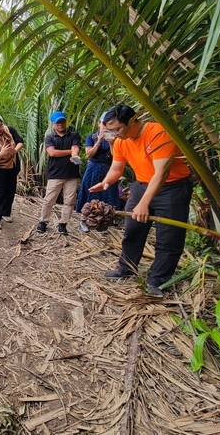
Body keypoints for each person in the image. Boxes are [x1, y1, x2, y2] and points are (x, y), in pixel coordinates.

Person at [90, 104, 193, 297]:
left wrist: (144, 203)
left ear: (132, 121)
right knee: (132, 229)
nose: (115, 134)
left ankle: (157, 281)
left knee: (169, 237)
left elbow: (161, 174)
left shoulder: (158, 133)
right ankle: (126, 268)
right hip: (142, 184)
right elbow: (116, 168)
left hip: (172, 187)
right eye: (110, 131)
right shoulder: (121, 141)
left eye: (117, 129)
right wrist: (105, 183)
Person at [36, 111, 82, 236]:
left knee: (69, 201)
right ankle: (43, 222)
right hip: (55, 174)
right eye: (58, 122)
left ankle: (63, 224)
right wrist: (70, 151)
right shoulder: (50, 137)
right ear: (53, 124)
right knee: (49, 200)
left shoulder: (74, 135)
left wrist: (75, 155)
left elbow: (76, 149)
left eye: (62, 121)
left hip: (72, 175)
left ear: (65, 122)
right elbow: (52, 153)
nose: (60, 124)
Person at [75, 113, 118, 232]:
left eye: (108, 124)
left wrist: (111, 143)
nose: (105, 126)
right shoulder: (92, 137)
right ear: (99, 123)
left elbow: (116, 156)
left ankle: (105, 224)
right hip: (93, 169)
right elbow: (89, 154)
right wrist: (98, 141)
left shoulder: (115, 138)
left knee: (108, 194)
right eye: (103, 123)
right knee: (89, 193)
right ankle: (84, 221)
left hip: (108, 169)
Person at [0, 116, 24, 230]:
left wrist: (15, 150)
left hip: (12, 165)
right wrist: (2, 153)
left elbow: (20, 141)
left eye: (0, 126)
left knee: (10, 190)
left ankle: (6, 213)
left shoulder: (9, 130)